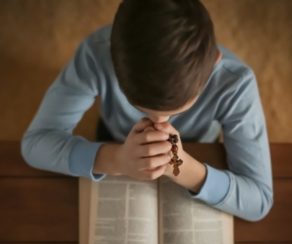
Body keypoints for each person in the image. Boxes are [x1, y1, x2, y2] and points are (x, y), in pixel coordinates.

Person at [21, 0, 273, 222]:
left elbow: (260, 200)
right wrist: (116, 159)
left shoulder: (237, 84)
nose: (159, 125)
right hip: (113, 136)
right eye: (141, 109)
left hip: (198, 146)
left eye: (176, 110)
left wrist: (181, 167)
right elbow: (34, 144)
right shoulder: (95, 53)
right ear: (113, 62)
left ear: (214, 63)